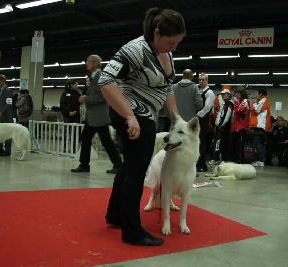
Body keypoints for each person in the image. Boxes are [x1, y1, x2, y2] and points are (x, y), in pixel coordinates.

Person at [98, 7, 185, 246]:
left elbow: (166, 89)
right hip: (133, 114)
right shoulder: (134, 50)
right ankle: (132, 232)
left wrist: (177, 120)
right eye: (171, 41)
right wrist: (129, 117)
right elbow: (106, 81)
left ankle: (115, 216)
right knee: (136, 173)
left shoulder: (167, 53)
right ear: (156, 33)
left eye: (177, 42)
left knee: (129, 168)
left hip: (147, 115)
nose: (174, 47)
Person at [70, 55, 122, 174]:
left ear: (96, 63)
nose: (86, 63)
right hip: (93, 116)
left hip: (98, 116)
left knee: (105, 140)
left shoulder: (100, 76)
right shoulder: (93, 77)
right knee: (87, 138)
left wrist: (85, 99)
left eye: (88, 61)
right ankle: (84, 164)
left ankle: (118, 164)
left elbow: (102, 96)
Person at [196, 73, 215, 172]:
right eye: (199, 80)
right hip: (198, 118)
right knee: (197, 141)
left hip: (203, 118)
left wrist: (197, 115)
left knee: (201, 141)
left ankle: (202, 164)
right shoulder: (199, 91)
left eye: (203, 80)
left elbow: (207, 107)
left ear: (207, 81)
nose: (201, 81)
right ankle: (198, 162)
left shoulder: (210, 93)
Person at [209, 87, 233, 164]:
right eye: (222, 94)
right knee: (223, 143)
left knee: (217, 142)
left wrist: (222, 124)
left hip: (223, 127)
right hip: (223, 127)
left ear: (228, 95)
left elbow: (227, 115)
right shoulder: (225, 104)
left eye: (224, 94)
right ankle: (225, 158)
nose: (223, 96)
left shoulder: (229, 103)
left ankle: (215, 158)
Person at [249, 88, 271, 167]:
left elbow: (257, 109)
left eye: (257, 93)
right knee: (258, 144)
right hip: (258, 126)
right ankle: (259, 159)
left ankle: (260, 160)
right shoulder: (262, 101)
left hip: (260, 126)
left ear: (261, 94)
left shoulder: (264, 100)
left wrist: (254, 104)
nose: (255, 95)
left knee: (258, 144)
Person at [229, 86, 250, 164]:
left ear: (242, 93)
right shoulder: (238, 101)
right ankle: (233, 159)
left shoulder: (245, 101)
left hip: (241, 127)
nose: (236, 95)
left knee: (239, 145)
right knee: (232, 144)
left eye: (238, 93)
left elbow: (239, 110)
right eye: (236, 93)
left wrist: (236, 102)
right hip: (235, 127)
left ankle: (239, 160)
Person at [0, 74, 14, 156]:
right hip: (0, 117)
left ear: (3, 81)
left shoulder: (8, 90)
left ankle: (7, 151)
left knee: (7, 134)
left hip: (6, 117)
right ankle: (0, 149)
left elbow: (9, 103)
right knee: (0, 133)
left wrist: (1, 112)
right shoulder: (1, 91)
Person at [60, 79, 81, 152]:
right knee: (66, 132)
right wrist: (69, 112)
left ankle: (74, 147)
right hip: (67, 116)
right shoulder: (65, 93)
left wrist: (76, 111)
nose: (77, 86)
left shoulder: (78, 94)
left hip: (75, 116)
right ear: (72, 85)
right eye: (76, 85)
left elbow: (80, 104)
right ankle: (65, 147)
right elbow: (62, 104)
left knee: (75, 132)